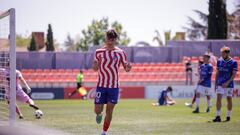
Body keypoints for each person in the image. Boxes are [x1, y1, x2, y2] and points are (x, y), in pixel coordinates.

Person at [92, 29, 132, 135]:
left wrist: (129, 67)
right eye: (108, 39)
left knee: (109, 110)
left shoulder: (120, 53)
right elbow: (95, 69)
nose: (110, 42)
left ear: (115, 40)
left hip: (114, 86)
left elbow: (126, 69)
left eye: (112, 39)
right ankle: (99, 114)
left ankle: (104, 132)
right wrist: (95, 64)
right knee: (97, 110)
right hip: (101, 85)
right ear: (106, 39)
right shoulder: (98, 52)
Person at [213, 46, 238, 122]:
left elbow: (233, 75)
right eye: (221, 53)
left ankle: (228, 116)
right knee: (218, 98)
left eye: (223, 53)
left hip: (229, 84)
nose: (222, 55)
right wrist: (215, 83)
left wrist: (227, 82)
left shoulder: (234, 62)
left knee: (229, 99)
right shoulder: (219, 61)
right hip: (220, 83)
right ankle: (218, 116)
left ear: (227, 53)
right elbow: (217, 72)